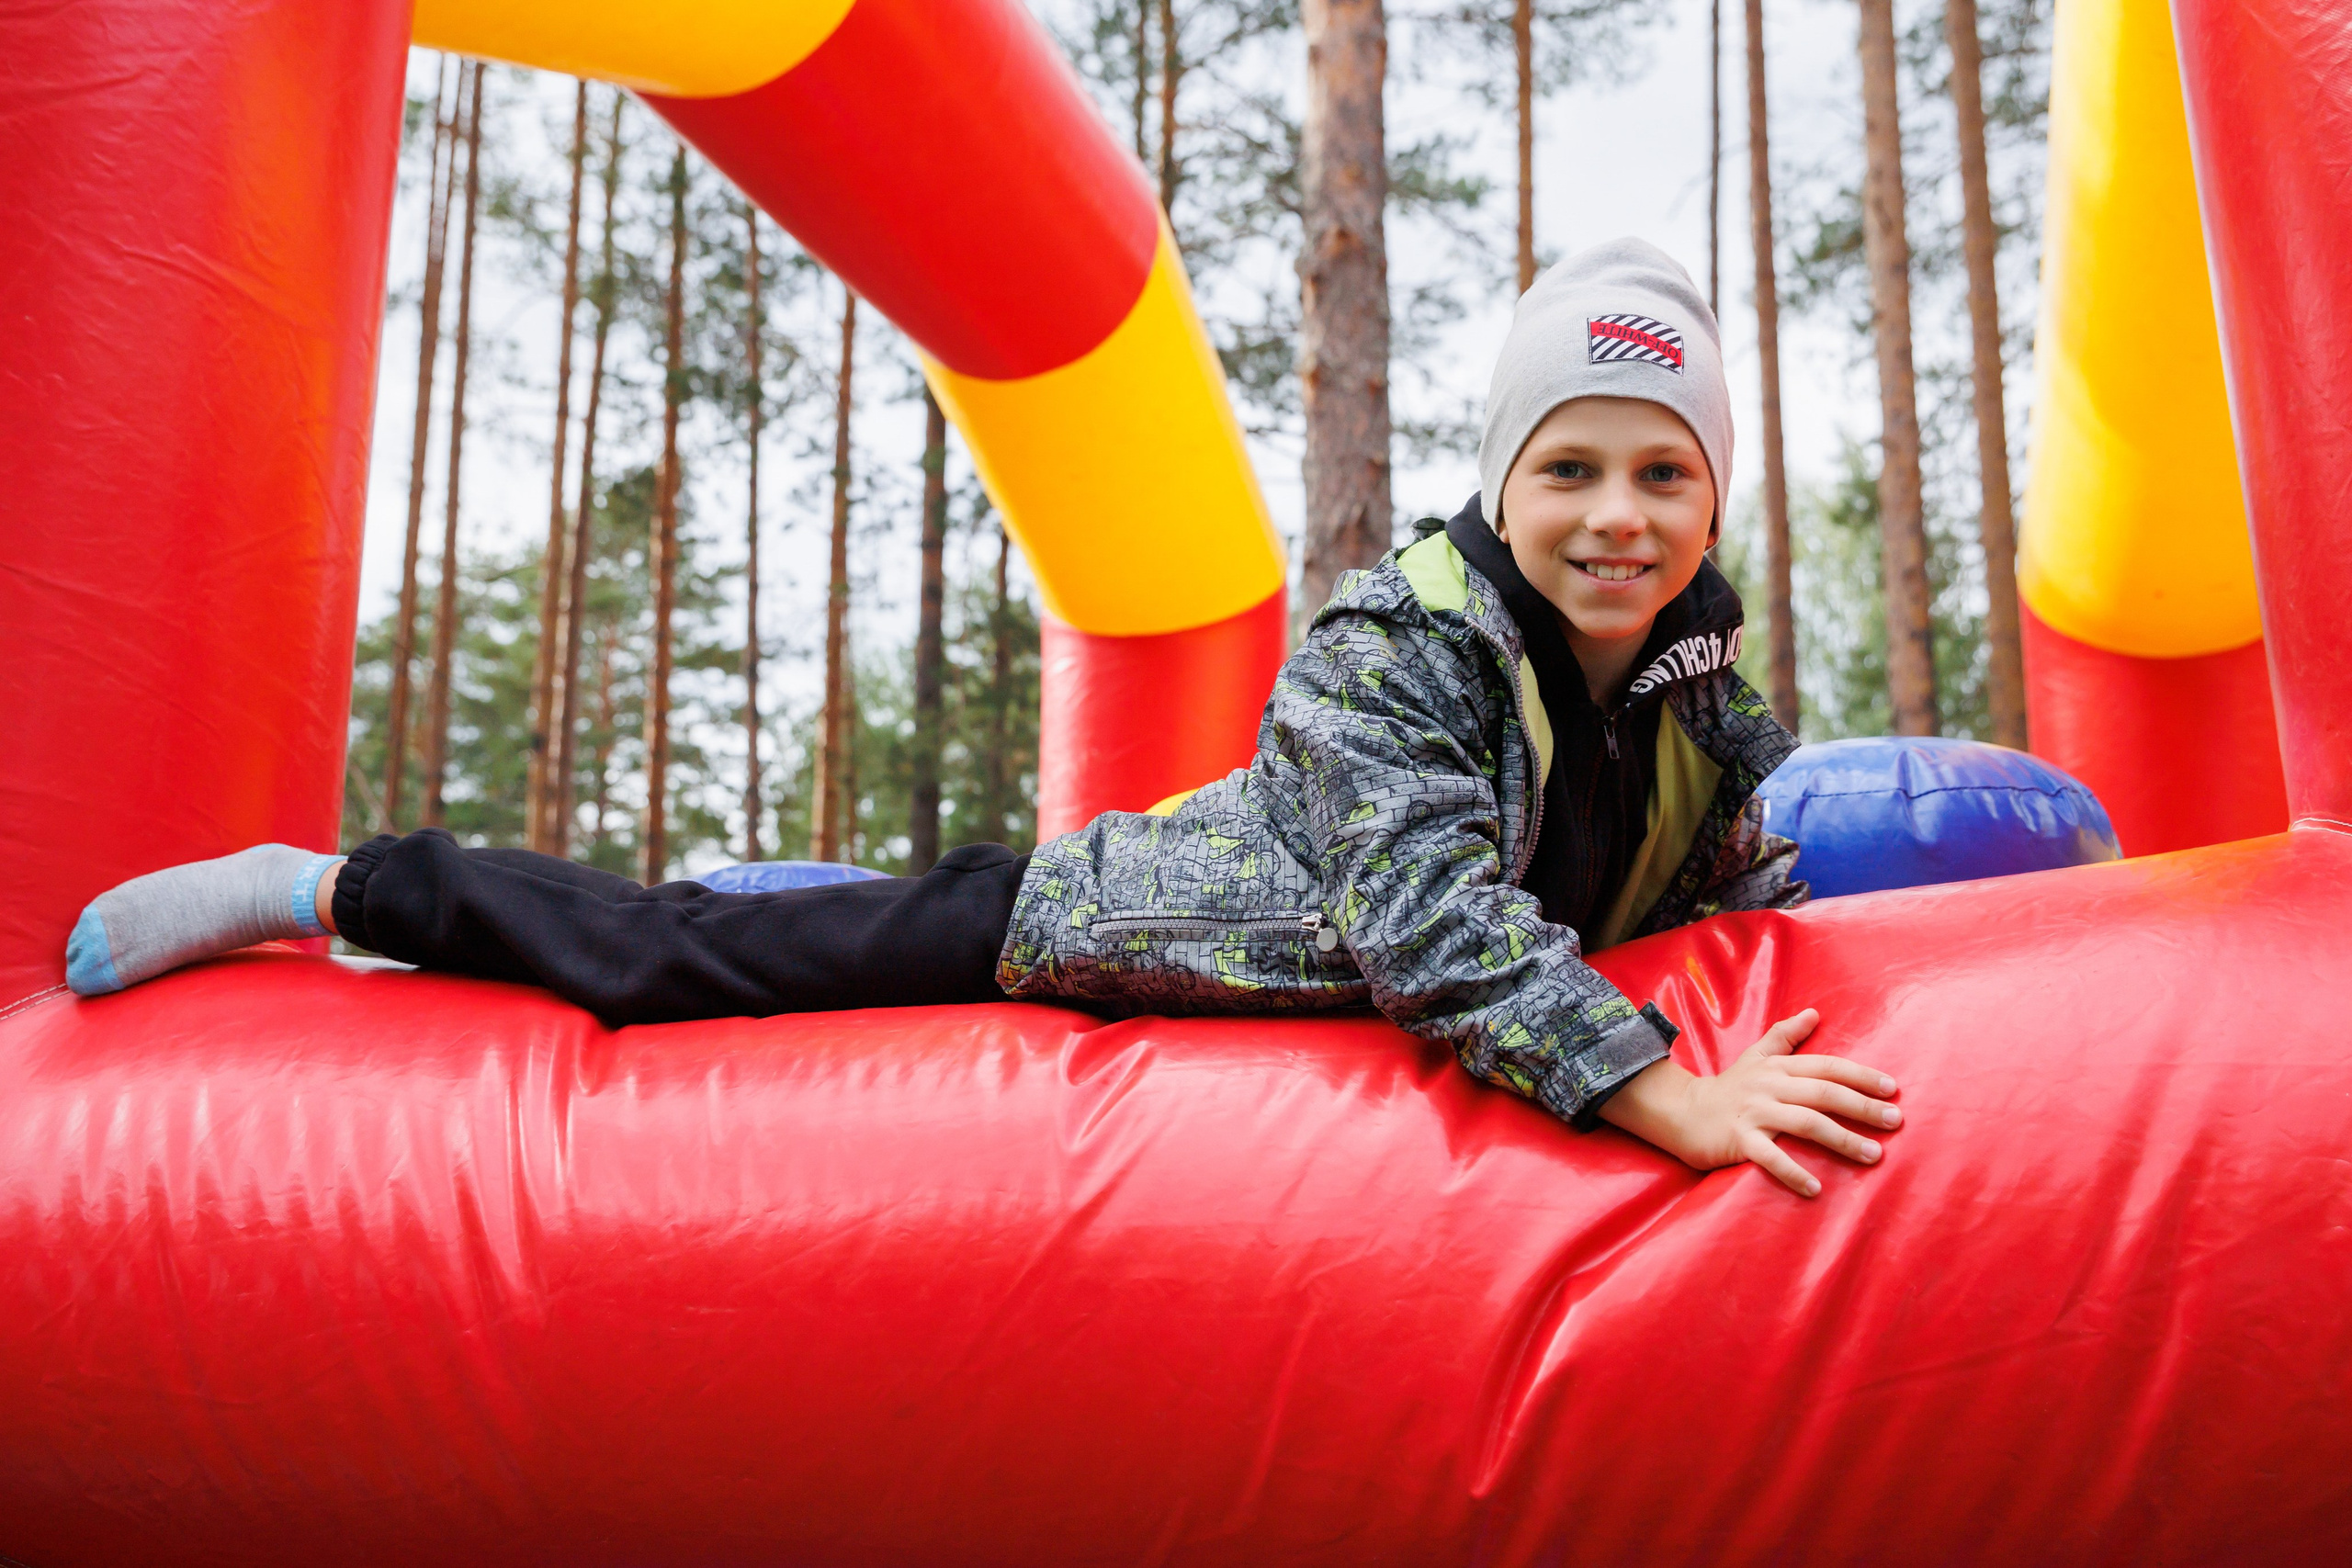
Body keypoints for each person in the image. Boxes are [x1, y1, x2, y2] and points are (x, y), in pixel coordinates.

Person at [64, 238, 1900, 1197]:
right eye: (1565, 463)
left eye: (1663, 473)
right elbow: (1428, 920)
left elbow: (1719, 876)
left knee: (733, 931)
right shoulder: (1388, 644)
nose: (1614, 513)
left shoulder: (1684, 701)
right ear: (1499, 488)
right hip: (1075, 927)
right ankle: (331, 890)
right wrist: (1664, 1089)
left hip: (1246, 984)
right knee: (682, 960)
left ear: (1712, 509)